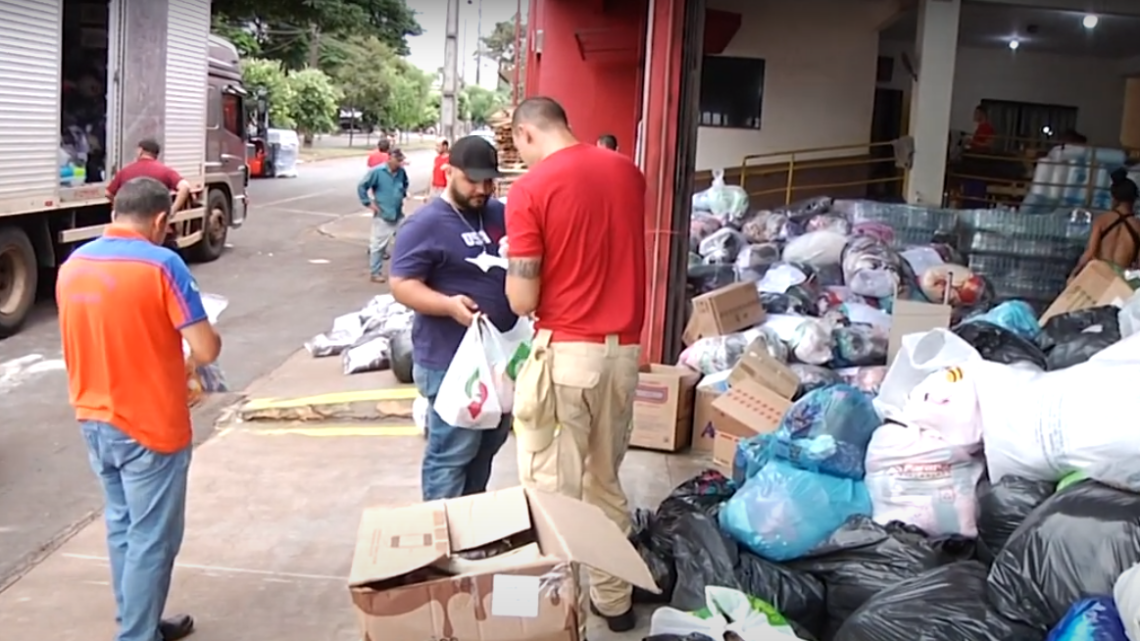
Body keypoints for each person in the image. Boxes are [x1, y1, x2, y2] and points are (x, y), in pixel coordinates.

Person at [501, 97, 646, 634]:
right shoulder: (628, 173)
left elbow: (521, 297)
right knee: (604, 483)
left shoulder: (531, 189)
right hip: (623, 356)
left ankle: (543, 619)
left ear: (524, 134)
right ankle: (615, 602)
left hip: (566, 357)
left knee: (547, 494)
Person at [57, 177, 222, 641]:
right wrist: (195, 355)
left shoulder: (74, 264)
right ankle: (136, 634)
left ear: (114, 213)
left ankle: (139, 621)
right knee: (153, 538)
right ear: (160, 220)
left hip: (93, 417)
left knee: (124, 528)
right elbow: (205, 349)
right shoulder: (161, 264)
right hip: (150, 424)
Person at [388, 135, 515, 500]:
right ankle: (443, 539)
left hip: (499, 359)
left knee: (486, 449)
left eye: (489, 181)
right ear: (449, 172)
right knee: (451, 454)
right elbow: (402, 284)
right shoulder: (425, 224)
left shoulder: (498, 214)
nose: (482, 189)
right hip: (449, 360)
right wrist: (447, 305)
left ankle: (471, 530)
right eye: (472, 180)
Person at [1071, 169, 1140, 278]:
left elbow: (1090, 253)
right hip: (1119, 281)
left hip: (1099, 276)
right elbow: (1138, 265)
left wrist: (1074, 273)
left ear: (1114, 198)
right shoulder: (1137, 226)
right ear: (1134, 199)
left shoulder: (1102, 220)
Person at [358, 148, 409, 283]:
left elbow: (405, 184)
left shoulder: (401, 172)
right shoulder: (377, 172)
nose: (399, 164)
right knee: (378, 246)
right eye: (397, 161)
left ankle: (402, 272)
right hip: (383, 214)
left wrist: (401, 195)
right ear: (390, 159)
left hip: (398, 213)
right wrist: (368, 203)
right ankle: (375, 272)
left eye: (400, 161)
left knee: (406, 241)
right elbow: (362, 187)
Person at [107, 139, 191, 214]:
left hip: (130, 221)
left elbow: (108, 193)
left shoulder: (125, 171)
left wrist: (118, 205)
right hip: (155, 223)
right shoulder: (166, 171)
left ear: (140, 151)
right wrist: (172, 211)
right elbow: (185, 187)